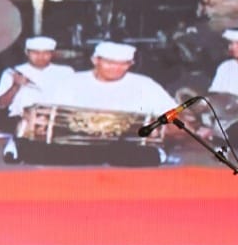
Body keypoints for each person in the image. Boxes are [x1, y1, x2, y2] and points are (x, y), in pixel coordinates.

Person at [16, 42, 175, 167]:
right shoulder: (71, 82)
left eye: (123, 64)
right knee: (36, 151)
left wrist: (171, 128)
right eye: (109, 63)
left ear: (131, 63)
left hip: (125, 146)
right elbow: (44, 112)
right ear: (95, 60)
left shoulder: (145, 84)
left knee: (140, 155)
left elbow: (172, 114)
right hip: (75, 144)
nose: (116, 68)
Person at [0, 36, 72, 117]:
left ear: (52, 54)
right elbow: (1, 104)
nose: (41, 57)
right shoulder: (13, 72)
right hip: (21, 117)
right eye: (36, 53)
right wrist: (16, 86)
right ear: (27, 52)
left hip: (57, 117)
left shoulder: (65, 72)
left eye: (46, 53)